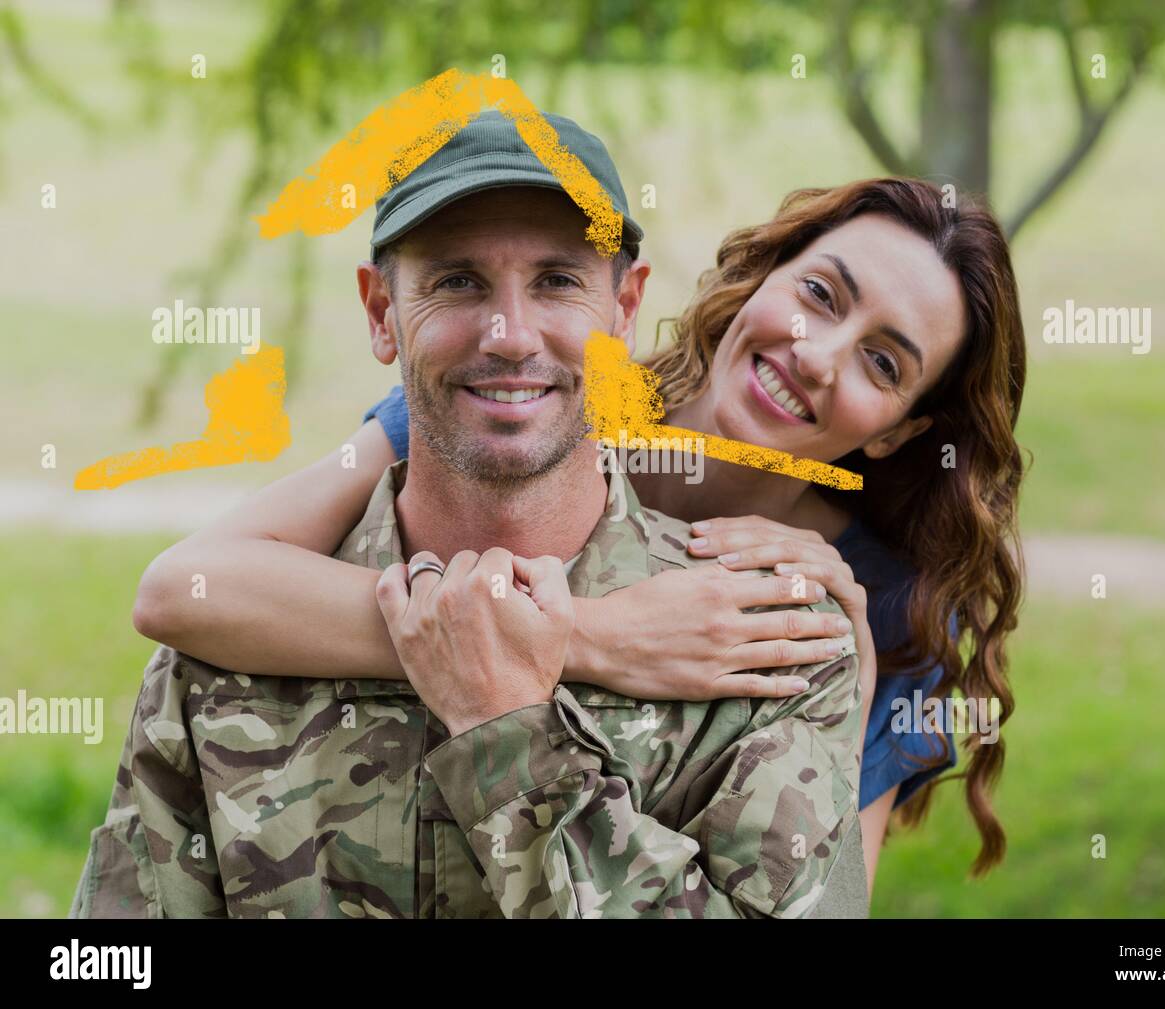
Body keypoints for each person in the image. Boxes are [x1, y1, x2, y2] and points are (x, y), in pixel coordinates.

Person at [134, 131, 1026, 893]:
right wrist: (580, 635)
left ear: (900, 428)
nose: (818, 354)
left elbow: (823, 903)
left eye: (883, 362)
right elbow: (185, 587)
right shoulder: (522, 396)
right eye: (820, 294)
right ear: (764, 276)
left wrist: (854, 667)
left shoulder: (872, 610)